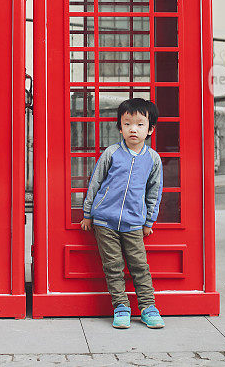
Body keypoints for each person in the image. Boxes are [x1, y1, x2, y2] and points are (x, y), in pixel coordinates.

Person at [80, 98, 166, 329]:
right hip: (104, 221)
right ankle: (121, 306)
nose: (133, 129)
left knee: (140, 266)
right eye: (127, 124)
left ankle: (148, 307)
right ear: (120, 127)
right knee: (113, 266)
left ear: (150, 129)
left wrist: (149, 220)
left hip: (134, 222)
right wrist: (88, 213)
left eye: (139, 124)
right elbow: (95, 182)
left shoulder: (153, 159)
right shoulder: (112, 153)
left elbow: (154, 191)